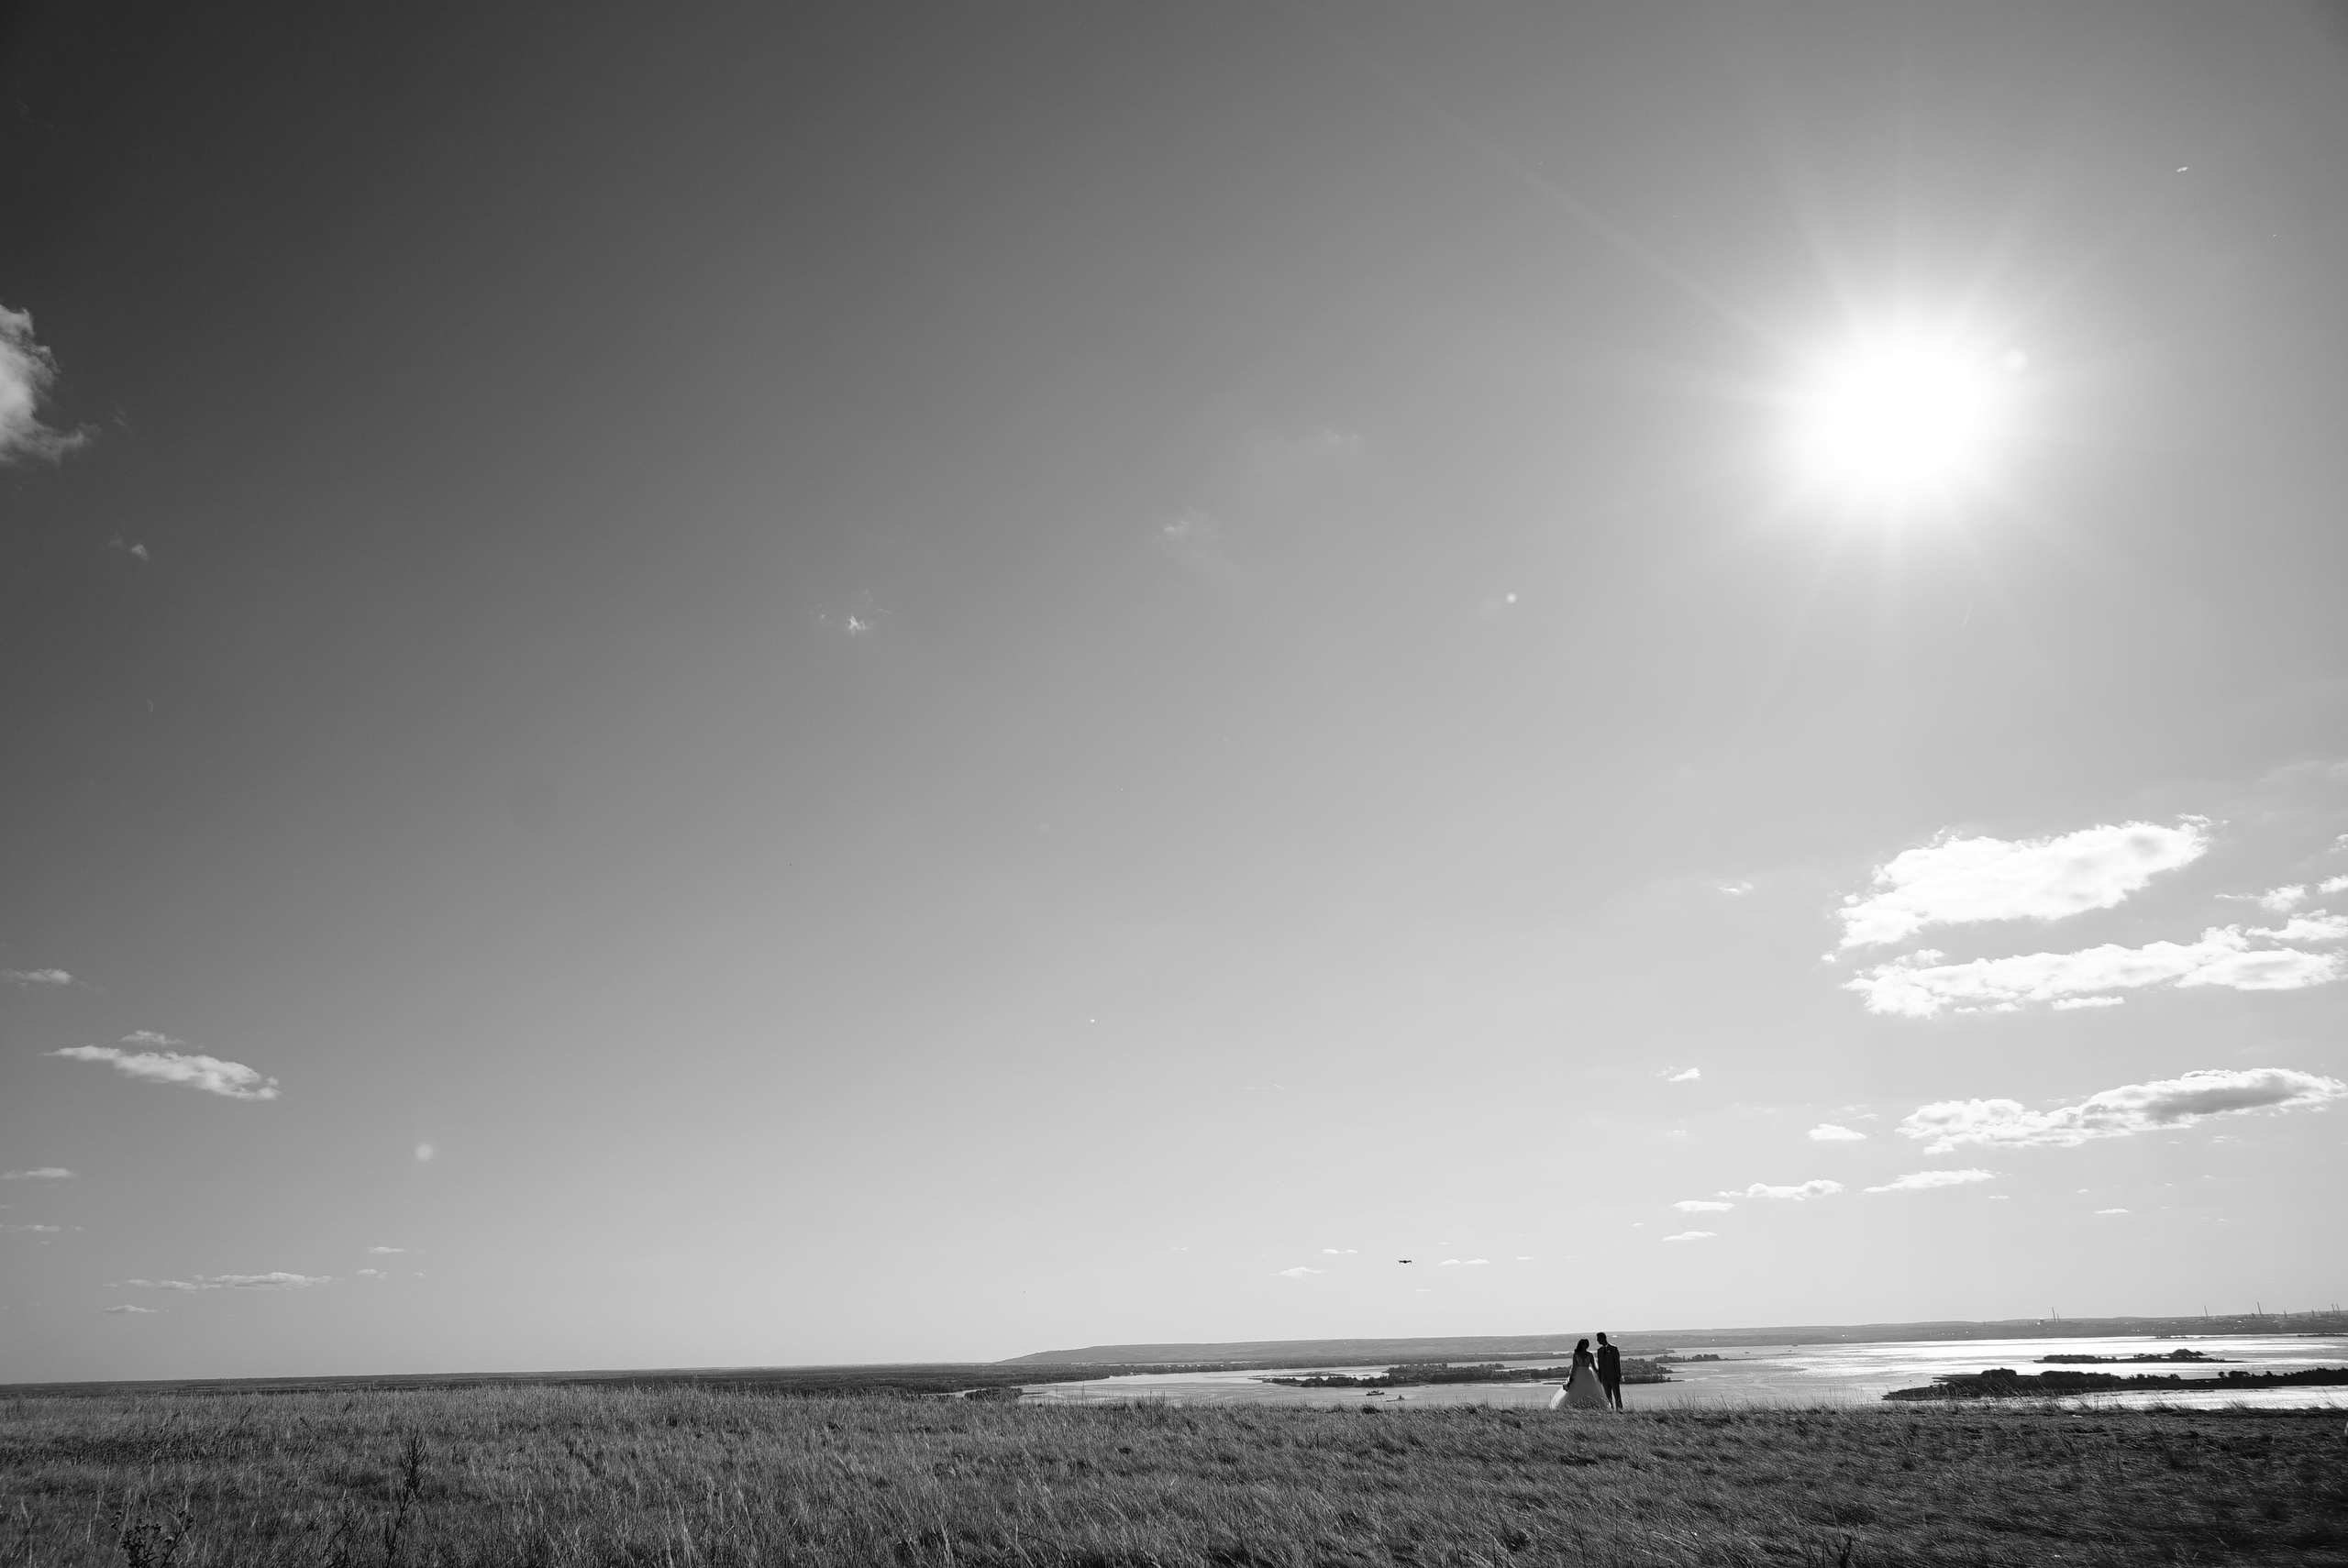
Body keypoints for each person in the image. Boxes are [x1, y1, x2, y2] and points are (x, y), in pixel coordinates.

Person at [1548, 1338, 1609, 1409]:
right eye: (1584, 1344)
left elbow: (1595, 1367)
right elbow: (1574, 1366)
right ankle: (1576, 1406)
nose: (1585, 1346)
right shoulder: (1576, 1354)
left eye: (1586, 1344)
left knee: (1588, 1390)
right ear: (1581, 1345)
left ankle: (1590, 1405)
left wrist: (1603, 1369)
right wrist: (1571, 1377)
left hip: (1588, 1374)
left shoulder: (1590, 1354)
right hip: (1578, 1374)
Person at [1595, 1332, 1623, 1409]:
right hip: (1604, 1377)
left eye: (1598, 1339)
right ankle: (1610, 1409)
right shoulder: (1600, 1351)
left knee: (1616, 1394)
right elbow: (1600, 1364)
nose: (1597, 1340)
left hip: (1613, 1376)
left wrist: (1618, 1375)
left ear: (1603, 1338)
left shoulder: (1613, 1349)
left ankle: (1619, 1409)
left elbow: (1617, 1363)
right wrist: (1600, 1377)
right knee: (1607, 1395)